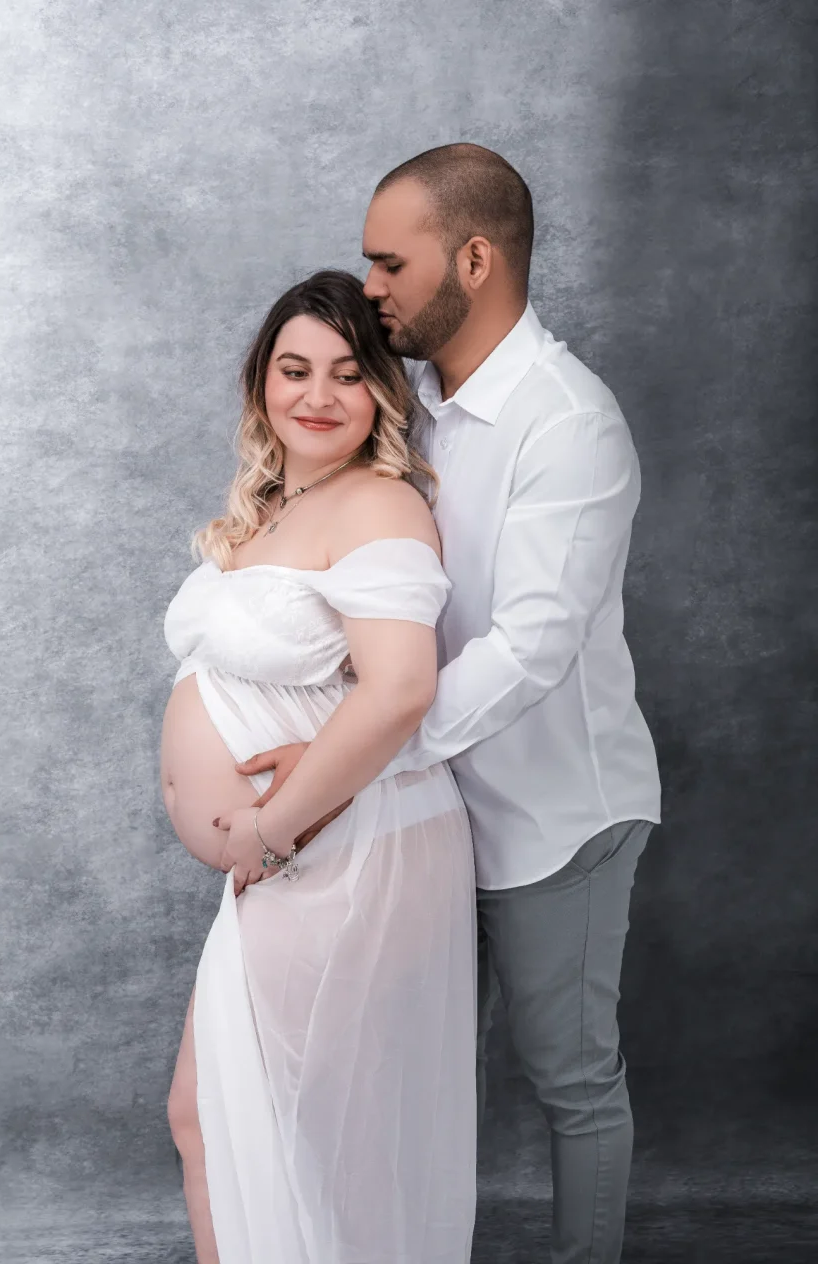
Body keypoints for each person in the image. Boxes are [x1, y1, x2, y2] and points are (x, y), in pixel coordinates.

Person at [237, 144, 662, 1264]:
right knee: (402, 1063)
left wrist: (353, 752)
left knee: (569, 1077)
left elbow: (527, 649)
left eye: (388, 262)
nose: (367, 285)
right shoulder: (406, 396)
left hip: (551, 814)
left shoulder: (569, 424)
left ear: (473, 260)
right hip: (417, 811)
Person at [160, 269, 478, 1264]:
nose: (316, 395)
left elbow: (396, 691)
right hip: (298, 851)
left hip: (338, 848)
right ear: (261, 381)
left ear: (382, 390)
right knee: (221, 1118)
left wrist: (266, 824)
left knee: (292, 1130)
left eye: (348, 373)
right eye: (293, 369)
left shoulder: (377, 506)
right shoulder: (274, 502)